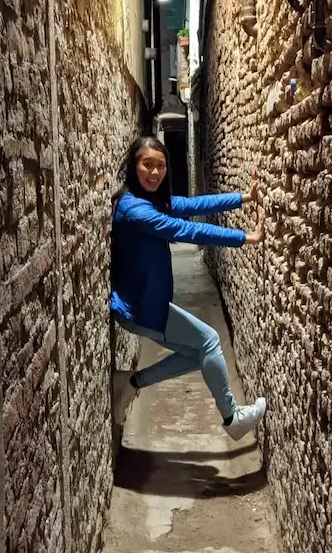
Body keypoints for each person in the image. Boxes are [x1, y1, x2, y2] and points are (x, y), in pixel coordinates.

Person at [109, 135, 267, 441]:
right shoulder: (136, 211)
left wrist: (244, 197)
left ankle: (130, 384)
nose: (154, 173)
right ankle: (233, 417)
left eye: (161, 166)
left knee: (202, 354)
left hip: (147, 304)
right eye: (147, 165)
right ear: (133, 166)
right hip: (140, 309)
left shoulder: (150, 201)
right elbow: (187, 229)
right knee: (209, 342)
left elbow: (193, 205)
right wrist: (245, 238)